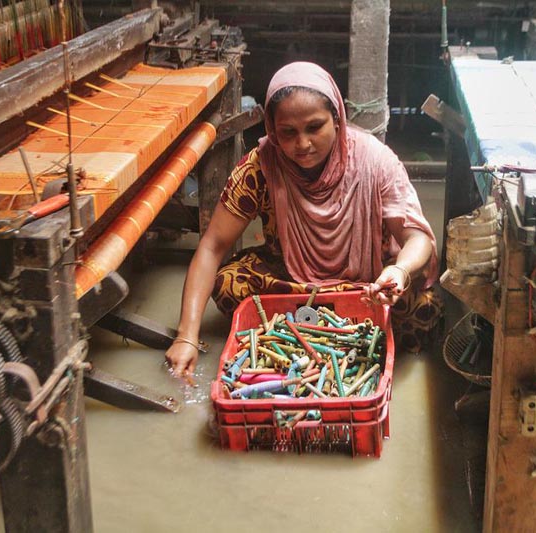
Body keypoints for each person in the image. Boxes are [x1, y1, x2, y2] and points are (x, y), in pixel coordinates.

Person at [166, 61, 442, 376]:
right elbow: (212, 246)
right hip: (291, 280)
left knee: (421, 312)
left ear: (337, 119)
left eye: (314, 127)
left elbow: (417, 238)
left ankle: (293, 324)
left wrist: (399, 271)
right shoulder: (261, 167)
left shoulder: (376, 162)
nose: (303, 144)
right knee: (229, 285)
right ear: (271, 129)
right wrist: (186, 336)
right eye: (287, 132)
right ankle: (320, 331)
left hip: (368, 285)